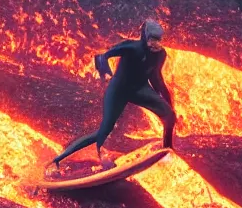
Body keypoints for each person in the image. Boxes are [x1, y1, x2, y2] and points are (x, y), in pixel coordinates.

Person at [49, 18, 177, 174]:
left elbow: (156, 77)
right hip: (119, 90)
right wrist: (103, 66)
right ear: (144, 36)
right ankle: (58, 160)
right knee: (104, 130)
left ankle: (166, 151)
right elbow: (103, 55)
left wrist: (167, 102)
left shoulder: (160, 54)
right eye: (152, 39)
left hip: (141, 89)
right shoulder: (130, 47)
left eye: (158, 40)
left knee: (169, 115)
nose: (154, 43)